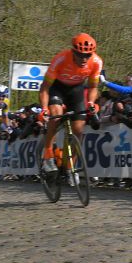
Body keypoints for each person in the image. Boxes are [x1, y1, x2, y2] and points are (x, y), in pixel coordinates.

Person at [37, 33, 103, 173]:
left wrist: (91, 102)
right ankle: (47, 154)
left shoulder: (96, 62)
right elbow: (45, 88)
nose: (84, 58)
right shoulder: (60, 59)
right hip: (57, 88)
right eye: (80, 55)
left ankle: (69, 165)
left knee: (78, 129)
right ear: (73, 51)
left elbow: (92, 87)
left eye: (88, 55)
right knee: (56, 116)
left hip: (76, 91)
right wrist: (44, 109)